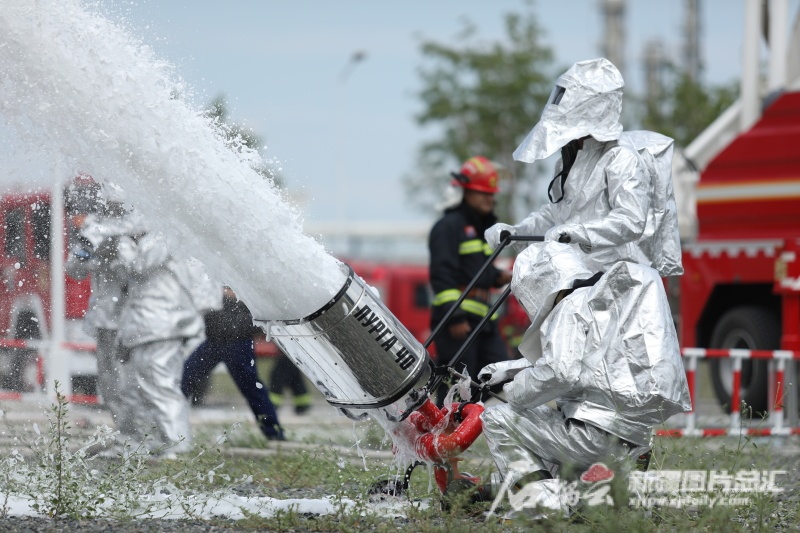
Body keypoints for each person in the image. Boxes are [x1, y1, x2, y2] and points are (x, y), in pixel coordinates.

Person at [478, 242, 691, 517]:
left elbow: (560, 371)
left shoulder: (570, 306)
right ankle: (610, 499)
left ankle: (543, 504)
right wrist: (509, 369)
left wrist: (514, 390)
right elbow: (586, 360)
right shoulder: (600, 303)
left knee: (499, 417)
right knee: (587, 502)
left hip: (591, 438)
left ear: (538, 283)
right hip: (633, 440)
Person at [485, 58, 681, 277]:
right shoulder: (569, 159)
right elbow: (557, 216)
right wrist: (516, 231)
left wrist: (579, 233)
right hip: (575, 276)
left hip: (614, 280)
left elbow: (631, 220)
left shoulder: (620, 157)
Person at [114, 226, 207, 456]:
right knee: (140, 388)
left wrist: (122, 244)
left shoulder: (162, 235)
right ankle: (155, 442)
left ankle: (177, 446)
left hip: (160, 323)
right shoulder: (153, 237)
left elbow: (138, 267)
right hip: (146, 325)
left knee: (161, 386)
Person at [428, 155, 513, 405]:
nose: (490, 198)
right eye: (482, 192)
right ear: (464, 192)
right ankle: (443, 435)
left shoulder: (479, 230)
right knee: (457, 386)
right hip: (459, 322)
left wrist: (500, 276)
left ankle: (462, 423)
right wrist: (453, 316)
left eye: (492, 193)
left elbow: (478, 271)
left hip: (484, 321)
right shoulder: (448, 226)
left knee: (497, 376)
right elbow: (441, 275)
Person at [65, 182, 138, 434]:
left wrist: (120, 252)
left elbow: (139, 273)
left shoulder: (138, 226)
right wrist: (86, 254)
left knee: (133, 379)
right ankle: (125, 432)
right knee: (108, 381)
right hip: (104, 316)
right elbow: (73, 270)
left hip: (134, 319)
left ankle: (142, 434)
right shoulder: (93, 225)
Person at [182, 286, 286, 440]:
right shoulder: (213, 285)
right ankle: (165, 427)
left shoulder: (246, 289)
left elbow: (261, 315)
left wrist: (234, 294)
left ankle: (274, 433)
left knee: (251, 388)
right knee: (184, 378)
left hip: (238, 343)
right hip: (213, 341)